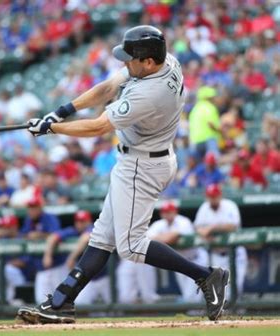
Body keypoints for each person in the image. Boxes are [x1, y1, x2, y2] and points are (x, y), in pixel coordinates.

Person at [17, 25, 228, 324]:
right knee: (103, 237)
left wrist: (50, 128)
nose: (125, 63)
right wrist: (61, 111)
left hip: (143, 165)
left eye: (131, 59)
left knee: (130, 246)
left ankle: (207, 276)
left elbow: (98, 127)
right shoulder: (163, 62)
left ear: (149, 62)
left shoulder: (150, 92)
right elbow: (107, 87)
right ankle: (62, 302)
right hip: (142, 158)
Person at [147, 201, 208, 302]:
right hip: (181, 263)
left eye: (170, 212)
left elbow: (172, 237)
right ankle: (196, 315)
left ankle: (197, 315)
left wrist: (161, 238)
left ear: (175, 212)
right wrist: (166, 237)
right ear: (162, 213)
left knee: (191, 297)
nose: (167, 214)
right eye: (165, 212)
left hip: (195, 261)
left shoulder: (183, 221)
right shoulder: (159, 224)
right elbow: (148, 239)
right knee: (188, 295)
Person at [194, 184, 247, 300]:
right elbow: (198, 227)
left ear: (220, 195)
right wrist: (204, 233)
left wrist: (211, 229)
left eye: (215, 196)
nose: (213, 199)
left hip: (235, 254)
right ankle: (224, 315)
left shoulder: (230, 206)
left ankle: (238, 314)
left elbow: (233, 226)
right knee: (218, 291)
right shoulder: (204, 208)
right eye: (210, 196)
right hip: (216, 255)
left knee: (236, 288)